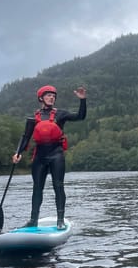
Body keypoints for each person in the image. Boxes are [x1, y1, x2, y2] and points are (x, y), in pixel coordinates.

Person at [12, 85, 87, 229]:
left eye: (53, 96)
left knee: (58, 186)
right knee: (37, 188)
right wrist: (18, 152)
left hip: (56, 155)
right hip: (40, 156)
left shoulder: (61, 115)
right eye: (48, 95)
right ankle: (33, 220)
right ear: (41, 98)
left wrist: (82, 100)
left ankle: (60, 220)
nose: (52, 97)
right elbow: (25, 137)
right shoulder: (33, 118)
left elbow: (80, 116)